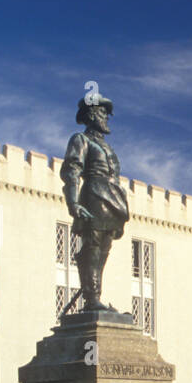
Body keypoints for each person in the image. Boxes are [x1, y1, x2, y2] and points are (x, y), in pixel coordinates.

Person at [60, 94, 130, 311]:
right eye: (102, 113)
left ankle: (94, 295)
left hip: (113, 200)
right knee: (93, 246)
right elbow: (72, 170)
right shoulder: (81, 140)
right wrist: (73, 202)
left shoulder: (107, 147)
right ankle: (92, 298)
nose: (106, 118)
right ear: (91, 115)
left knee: (104, 249)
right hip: (94, 197)